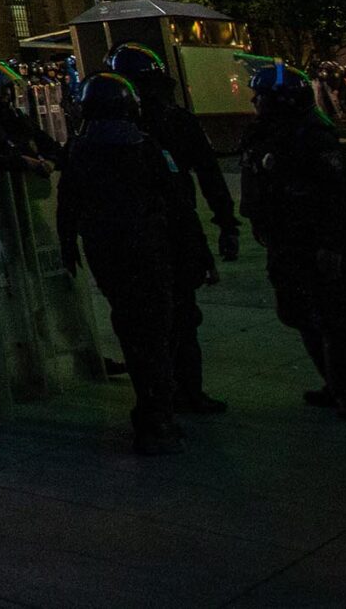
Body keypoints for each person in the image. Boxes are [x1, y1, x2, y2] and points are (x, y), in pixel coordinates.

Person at [56, 74, 186, 455]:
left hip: (105, 249)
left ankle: (150, 406)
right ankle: (158, 412)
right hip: (147, 248)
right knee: (157, 328)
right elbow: (175, 199)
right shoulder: (145, 146)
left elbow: (68, 202)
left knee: (130, 324)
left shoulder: (81, 149)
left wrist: (69, 244)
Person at [111, 44, 239, 416]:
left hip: (143, 234)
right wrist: (225, 223)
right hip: (169, 229)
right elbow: (209, 175)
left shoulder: (121, 128)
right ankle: (184, 393)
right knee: (179, 314)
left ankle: (162, 398)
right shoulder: (168, 121)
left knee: (152, 319)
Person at [240, 62, 346, 420]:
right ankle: (335, 381)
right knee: (297, 312)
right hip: (284, 240)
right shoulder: (262, 135)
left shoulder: (314, 137)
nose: (256, 102)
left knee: (334, 315)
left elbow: (339, 197)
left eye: (263, 97)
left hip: (317, 240)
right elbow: (255, 183)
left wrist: (331, 244)